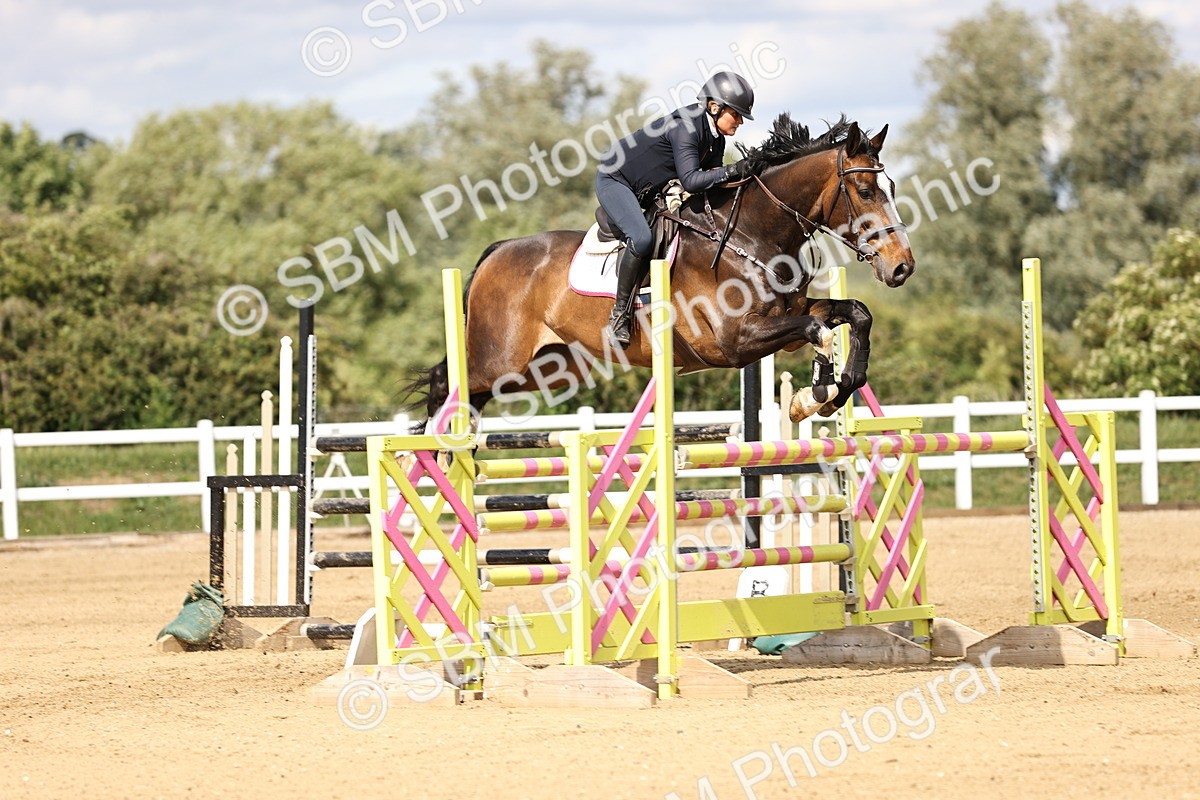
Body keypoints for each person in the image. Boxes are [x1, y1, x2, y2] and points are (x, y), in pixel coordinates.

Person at [594, 70, 757, 348]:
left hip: (647, 187)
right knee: (643, 238)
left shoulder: (716, 137)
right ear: (714, 107)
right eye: (737, 113)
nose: (740, 121)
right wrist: (732, 169)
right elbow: (692, 181)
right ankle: (619, 315)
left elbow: (713, 178)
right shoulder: (687, 127)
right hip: (615, 179)